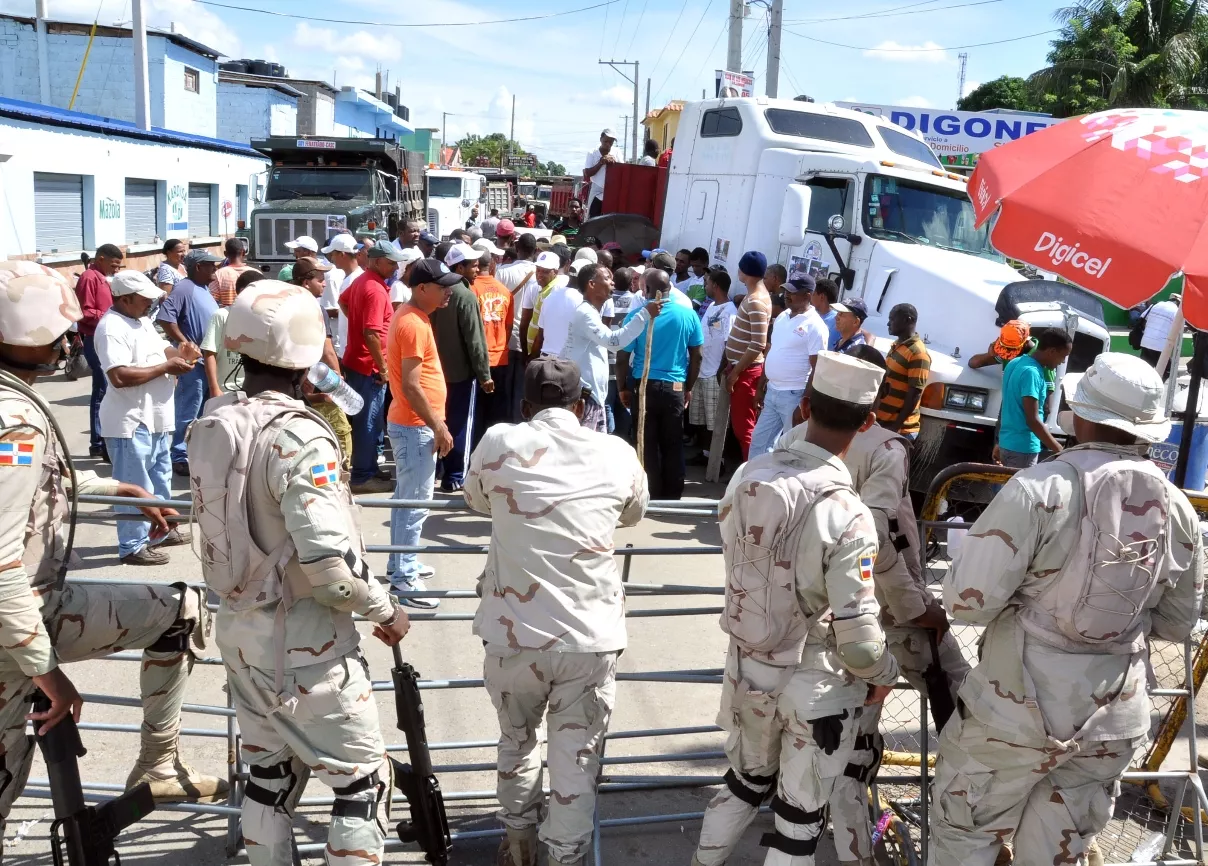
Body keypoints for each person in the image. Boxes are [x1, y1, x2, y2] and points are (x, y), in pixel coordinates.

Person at [929, 351, 1204, 866]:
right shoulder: (1181, 508)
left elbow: (967, 602)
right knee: (1059, 850)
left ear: (1080, 412)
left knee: (965, 833)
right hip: (1113, 718)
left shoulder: (1040, 488)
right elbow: (1177, 623)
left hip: (1016, 711)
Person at [187, 281, 410, 866]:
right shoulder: (300, 435)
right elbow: (329, 568)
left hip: (242, 638)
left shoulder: (216, 420)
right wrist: (385, 609)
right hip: (306, 645)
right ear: (309, 352)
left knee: (268, 779)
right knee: (363, 782)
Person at [0, 260, 225, 821]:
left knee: (181, 609)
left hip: (20, 621)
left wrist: (116, 486)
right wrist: (47, 674)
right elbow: (1, 564)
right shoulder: (15, 421)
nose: (67, 340)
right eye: (57, 330)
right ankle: (156, 761)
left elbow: (34, 483)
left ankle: (159, 762)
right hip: (16, 626)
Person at [692, 350, 900, 866]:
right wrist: (884, 672)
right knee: (799, 821)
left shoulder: (748, 476)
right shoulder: (846, 509)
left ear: (804, 406)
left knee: (743, 784)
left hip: (748, 666)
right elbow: (859, 637)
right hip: (817, 685)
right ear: (868, 421)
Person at [782, 344, 969, 866]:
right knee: (955, 705)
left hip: (817, 611)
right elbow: (880, 537)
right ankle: (885, 838)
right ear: (874, 403)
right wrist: (915, 606)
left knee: (840, 732)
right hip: (883, 609)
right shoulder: (885, 448)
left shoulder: (794, 440)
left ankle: (840, 826)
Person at [465, 356, 649, 866]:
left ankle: (519, 846)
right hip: (589, 639)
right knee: (577, 759)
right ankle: (565, 857)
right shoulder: (614, 451)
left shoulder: (499, 441)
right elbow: (634, 513)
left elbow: (476, 500)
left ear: (524, 406)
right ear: (584, 406)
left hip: (512, 635)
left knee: (516, 743)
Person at [96, 270, 201, 565]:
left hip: (156, 417)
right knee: (135, 484)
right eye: (145, 300)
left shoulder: (141, 321)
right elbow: (118, 376)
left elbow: (161, 349)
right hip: (131, 421)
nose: (150, 305)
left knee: (159, 479)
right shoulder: (111, 327)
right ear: (125, 298)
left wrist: (181, 354)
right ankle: (132, 545)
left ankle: (162, 530)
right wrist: (167, 366)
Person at [387, 259, 460, 606]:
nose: (448, 292)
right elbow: (413, 386)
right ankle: (403, 578)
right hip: (415, 426)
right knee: (414, 503)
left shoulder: (414, 315)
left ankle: (401, 562)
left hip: (411, 424)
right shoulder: (413, 323)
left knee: (407, 499)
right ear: (422, 289)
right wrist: (438, 426)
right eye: (442, 286)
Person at [616, 269, 703, 500]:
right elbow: (697, 356)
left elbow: (622, 356)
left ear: (648, 290)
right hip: (674, 387)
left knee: (645, 441)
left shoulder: (637, 315)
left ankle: (650, 493)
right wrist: (688, 387)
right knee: (673, 442)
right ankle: (673, 494)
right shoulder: (688, 315)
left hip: (644, 387)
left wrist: (622, 387)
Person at [562, 263, 662, 432]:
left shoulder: (591, 312)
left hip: (590, 395)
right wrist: (644, 314)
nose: (613, 283)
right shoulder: (586, 314)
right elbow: (613, 342)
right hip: (586, 396)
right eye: (607, 278)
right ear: (592, 284)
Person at [341, 240, 403, 493]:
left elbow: (344, 302)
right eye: (391, 262)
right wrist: (383, 367)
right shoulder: (375, 289)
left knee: (365, 420)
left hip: (357, 360)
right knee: (369, 421)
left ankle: (366, 469)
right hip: (369, 366)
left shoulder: (362, 280)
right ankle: (363, 476)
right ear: (377, 261)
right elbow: (371, 333)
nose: (395, 267)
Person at [431, 244, 493, 492]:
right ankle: (456, 475)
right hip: (460, 374)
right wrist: (485, 374)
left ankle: (437, 471)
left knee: (437, 421)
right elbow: (475, 340)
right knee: (460, 426)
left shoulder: (434, 290)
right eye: (473, 265)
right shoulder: (465, 296)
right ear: (459, 267)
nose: (478, 269)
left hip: (435, 372)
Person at [748, 275, 830, 457]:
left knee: (791, 449)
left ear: (807, 295)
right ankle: (754, 483)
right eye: (786, 291)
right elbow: (771, 352)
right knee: (759, 443)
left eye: (792, 292)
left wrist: (804, 402)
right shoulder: (782, 317)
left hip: (794, 396)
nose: (786, 295)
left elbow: (817, 369)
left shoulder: (816, 326)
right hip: (772, 392)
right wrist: (761, 385)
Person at [157, 249, 221, 476]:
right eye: (210, 265)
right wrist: (185, 343)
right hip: (195, 364)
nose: (215, 268)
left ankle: (194, 451)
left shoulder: (202, 289)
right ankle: (179, 454)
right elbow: (165, 317)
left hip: (208, 362)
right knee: (188, 408)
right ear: (198, 267)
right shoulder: (184, 288)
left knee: (203, 409)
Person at [291, 257, 355, 467]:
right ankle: (341, 477)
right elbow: (327, 351)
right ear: (305, 282)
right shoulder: (315, 309)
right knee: (340, 432)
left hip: (294, 384)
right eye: (320, 279)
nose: (325, 284)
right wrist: (339, 381)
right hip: (318, 384)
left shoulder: (287, 304)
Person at [996, 329, 1073, 469]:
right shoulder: (1032, 373)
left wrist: (999, 442)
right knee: (1018, 490)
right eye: (1063, 356)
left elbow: (1008, 407)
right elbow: (1033, 420)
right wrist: (1060, 450)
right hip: (1023, 448)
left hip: (1006, 443)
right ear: (1051, 351)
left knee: (1005, 489)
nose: (1062, 362)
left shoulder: (1015, 362)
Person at [75, 242, 123, 459]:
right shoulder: (89, 278)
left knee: (102, 391)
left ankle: (98, 442)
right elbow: (85, 312)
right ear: (101, 258)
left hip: (104, 337)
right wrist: (109, 317)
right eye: (114, 264)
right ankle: (102, 442)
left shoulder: (104, 277)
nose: (116, 269)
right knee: (105, 391)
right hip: (95, 338)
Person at [725, 251, 772, 459]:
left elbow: (758, 344)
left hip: (746, 372)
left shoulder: (755, 300)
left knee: (745, 430)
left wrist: (735, 372)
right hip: (743, 369)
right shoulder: (754, 296)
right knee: (742, 428)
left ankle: (749, 476)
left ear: (745, 272)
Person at [470, 240, 514, 441]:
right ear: (492, 265)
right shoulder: (505, 292)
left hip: (478, 360)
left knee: (476, 413)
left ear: (475, 264)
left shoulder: (471, 290)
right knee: (496, 413)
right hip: (501, 358)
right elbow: (508, 326)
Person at [688, 268, 737, 443]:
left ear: (715, 286)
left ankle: (718, 462)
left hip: (713, 375)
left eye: (707, 283)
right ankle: (705, 453)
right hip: (701, 371)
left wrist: (721, 370)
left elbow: (728, 344)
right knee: (700, 420)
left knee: (715, 422)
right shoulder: (710, 306)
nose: (705, 286)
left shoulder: (729, 311)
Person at [201, 269, 264, 398]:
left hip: (254, 392)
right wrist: (215, 389)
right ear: (242, 292)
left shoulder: (263, 319)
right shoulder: (221, 316)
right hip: (226, 391)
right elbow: (209, 353)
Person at [497, 233, 539, 422]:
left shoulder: (503, 271)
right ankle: (518, 421)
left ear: (517, 249)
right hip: (529, 339)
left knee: (504, 386)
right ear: (536, 251)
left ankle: (503, 421)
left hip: (505, 337)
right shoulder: (542, 273)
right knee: (522, 387)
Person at [875, 303, 929, 440]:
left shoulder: (918, 354)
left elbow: (914, 394)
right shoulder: (897, 346)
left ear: (907, 320)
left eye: (892, 319)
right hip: (883, 425)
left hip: (900, 430)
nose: (888, 323)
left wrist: (895, 427)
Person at [320, 234, 362, 357]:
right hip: (347, 351)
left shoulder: (355, 281)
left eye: (332, 254)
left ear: (342, 254)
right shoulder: (350, 278)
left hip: (354, 354)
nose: (331, 258)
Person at [1138, 293, 1181, 368]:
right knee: (1166, 371)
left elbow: (1142, 318)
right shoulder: (1177, 311)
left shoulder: (1155, 305)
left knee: (1146, 369)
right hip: (1160, 345)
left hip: (1146, 341)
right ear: (1178, 302)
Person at [584, 129, 619, 218]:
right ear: (601, 139)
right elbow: (587, 173)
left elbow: (622, 169)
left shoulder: (616, 152)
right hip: (597, 188)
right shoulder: (592, 152)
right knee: (592, 217)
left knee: (610, 218)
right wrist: (601, 162)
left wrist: (614, 162)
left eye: (611, 142)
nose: (608, 144)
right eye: (606, 141)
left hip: (612, 189)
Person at [211, 238, 253, 307]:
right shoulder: (256, 274)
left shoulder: (219, 275)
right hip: (249, 317)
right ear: (243, 252)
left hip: (228, 317)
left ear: (225, 254)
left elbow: (212, 302)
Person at [811, 278, 840, 349]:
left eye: (813, 294)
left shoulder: (838, 319)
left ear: (822, 297)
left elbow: (861, 332)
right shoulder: (811, 315)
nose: (810, 297)